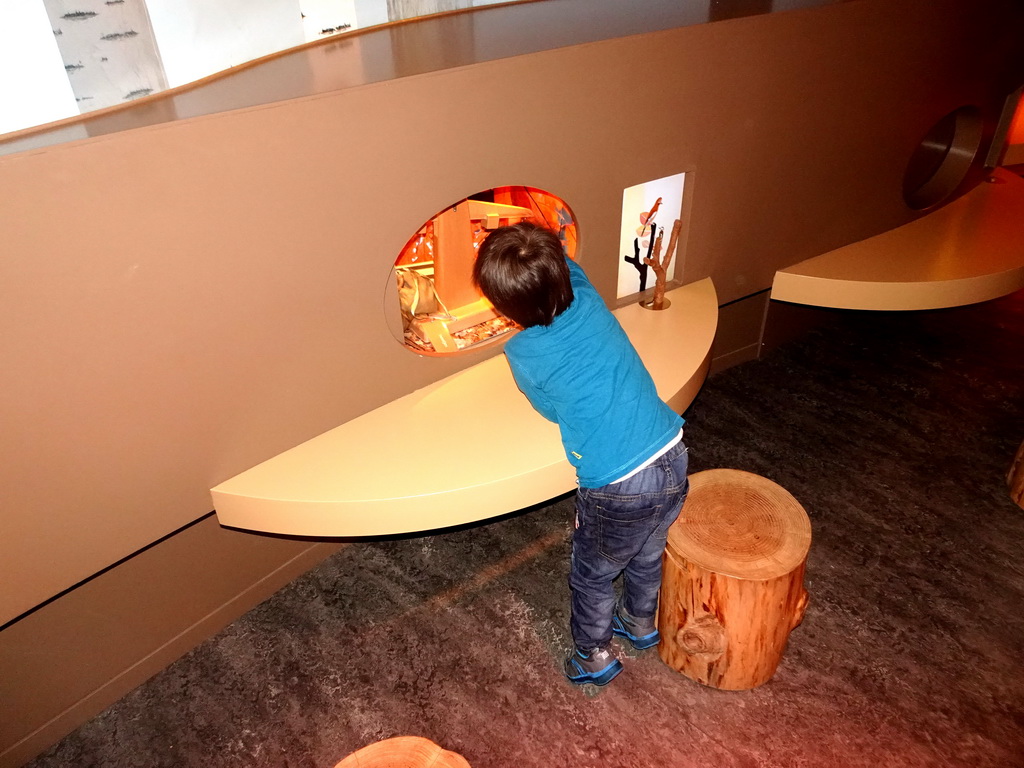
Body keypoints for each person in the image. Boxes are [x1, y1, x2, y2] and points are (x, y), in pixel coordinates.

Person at [473, 221, 689, 686]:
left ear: (503, 307)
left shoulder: (523, 351)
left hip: (618, 485)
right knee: (648, 554)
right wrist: (551, 240)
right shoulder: (588, 298)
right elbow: (567, 269)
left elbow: (549, 410)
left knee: (592, 573)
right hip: (673, 453)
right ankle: (640, 622)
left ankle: (594, 655)